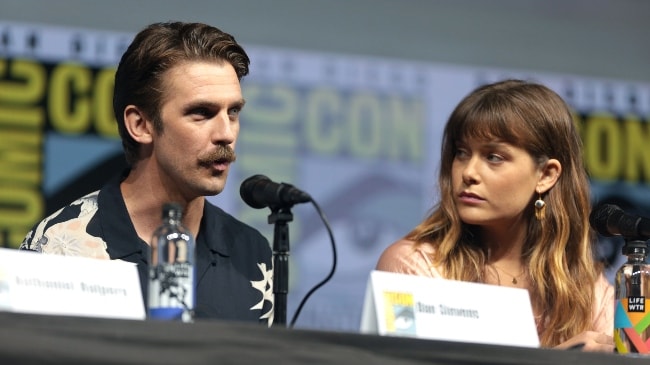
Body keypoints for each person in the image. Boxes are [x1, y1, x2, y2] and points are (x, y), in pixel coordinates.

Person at [19, 22, 274, 325]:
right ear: (140, 125)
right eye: (202, 113)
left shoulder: (251, 252)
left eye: (233, 112)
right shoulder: (58, 246)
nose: (226, 133)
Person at [375, 79, 614, 352]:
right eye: (462, 153)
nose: (468, 172)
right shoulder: (413, 267)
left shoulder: (585, 285)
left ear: (546, 175)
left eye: (494, 157)